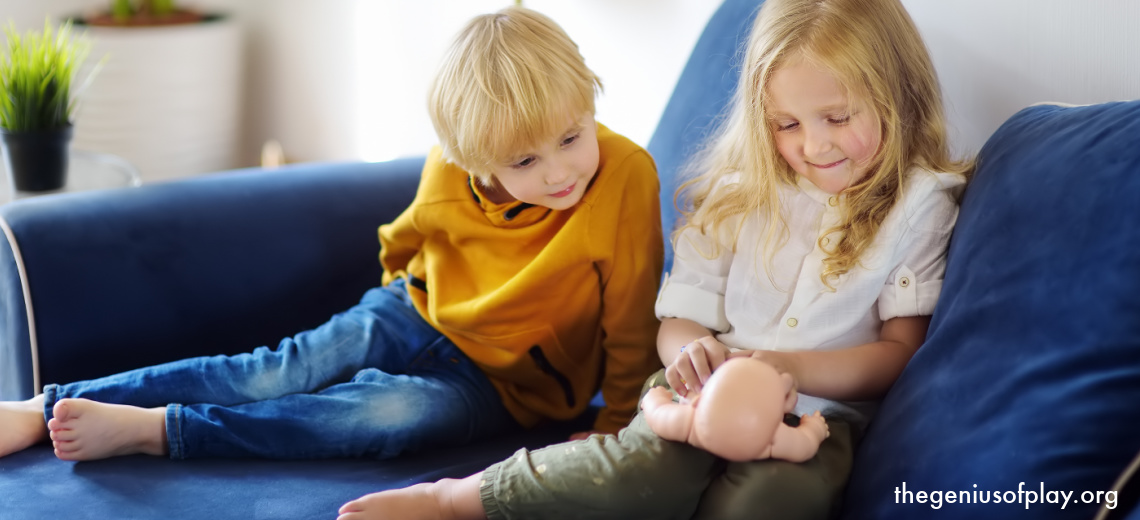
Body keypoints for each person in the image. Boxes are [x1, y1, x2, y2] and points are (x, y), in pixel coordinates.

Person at [335, 0, 973, 518]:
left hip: (821, 418)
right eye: (785, 124)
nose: (812, 145)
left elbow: (898, 354)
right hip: (697, 393)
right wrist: (690, 351)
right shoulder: (737, 195)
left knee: (778, 499)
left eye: (836, 117)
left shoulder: (921, 205)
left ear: (897, 97)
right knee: (639, 475)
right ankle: (457, 500)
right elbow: (676, 323)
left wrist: (789, 366)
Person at [0, 6, 664, 463]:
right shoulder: (448, 167)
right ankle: (44, 406)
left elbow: (631, 319)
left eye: (572, 138)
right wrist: (395, 309)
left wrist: (616, 426)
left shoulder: (627, 175)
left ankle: (162, 432)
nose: (559, 173)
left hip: (508, 384)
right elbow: (403, 239)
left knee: (386, 417)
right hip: (416, 311)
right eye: (525, 162)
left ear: (589, 102)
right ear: (475, 160)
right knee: (283, 368)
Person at [639, 357, 829, 463]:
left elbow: (657, 414)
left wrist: (654, 397)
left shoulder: (690, 422)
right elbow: (806, 445)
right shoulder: (770, 440)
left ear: (698, 402)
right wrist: (815, 427)